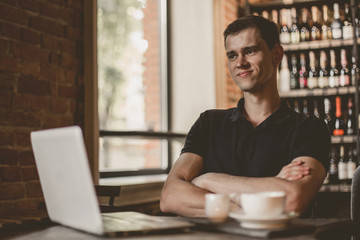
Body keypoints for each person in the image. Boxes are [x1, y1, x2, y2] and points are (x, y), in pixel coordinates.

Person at [160, 15, 330, 217]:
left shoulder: (310, 129)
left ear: (276, 55)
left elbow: (291, 200)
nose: (240, 63)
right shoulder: (208, 123)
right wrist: (249, 202)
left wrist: (207, 180)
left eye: (249, 51)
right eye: (232, 55)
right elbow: (170, 196)